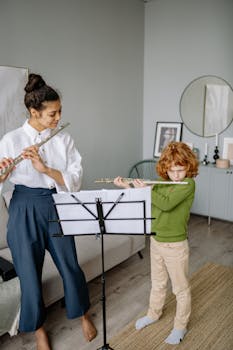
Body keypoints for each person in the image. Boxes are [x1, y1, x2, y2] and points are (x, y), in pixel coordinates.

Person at [0, 73, 97, 350]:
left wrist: (45, 169)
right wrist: (2, 174)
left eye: (59, 112)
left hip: (56, 204)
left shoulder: (62, 139)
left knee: (70, 265)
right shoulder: (11, 139)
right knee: (29, 274)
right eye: (52, 114)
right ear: (34, 112)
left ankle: (83, 315)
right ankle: (39, 328)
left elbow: (75, 177)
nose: (57, 118)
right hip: (22, 207)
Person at [114, 142, 198, 345]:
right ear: (165, 169)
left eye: (180, 170)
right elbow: (150, 203)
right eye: (171, 170)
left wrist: (148, 189)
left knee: (180, 289)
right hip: (156, 239)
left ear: (188, 167)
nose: (176, 175)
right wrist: (130, 187)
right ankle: (153, 313)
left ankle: (180, 326)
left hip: (176, 245)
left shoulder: (188, 184)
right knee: (158, 283)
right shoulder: (162, 182)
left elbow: (166, 204)